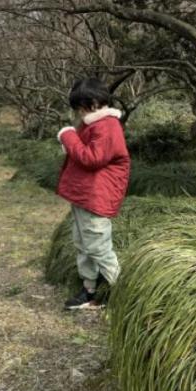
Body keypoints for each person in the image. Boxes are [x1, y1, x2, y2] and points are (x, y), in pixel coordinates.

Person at [56, 78, 130, 310]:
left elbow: (92, 158)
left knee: (98, 246)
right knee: (83, 243)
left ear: (96, 102)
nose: (80, 111)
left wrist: (67, 136)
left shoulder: (107, 125)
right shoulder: (94, 124)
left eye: (82, 106)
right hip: (86, 194)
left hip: (97, 196)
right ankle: (90, 290)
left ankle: (124, 294)